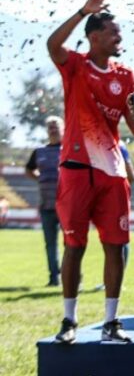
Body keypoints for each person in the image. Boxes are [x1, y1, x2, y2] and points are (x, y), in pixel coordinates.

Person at [46, 0, 134, 345]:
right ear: (94, 37)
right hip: (76, 168)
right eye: (113, 32)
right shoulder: (76, 66)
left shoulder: (126, 76)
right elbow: (53, 44)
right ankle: (69, 320)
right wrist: (82, 10)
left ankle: (111, 322)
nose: (119, 36)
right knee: (74, 247)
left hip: (112, 173)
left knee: (115, 246)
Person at [25, 116, 64, 287]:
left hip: (67, 205)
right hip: (46, 205)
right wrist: (40, 179)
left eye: (55, 126)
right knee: (50, 244)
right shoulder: (39, 151)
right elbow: (28, 169)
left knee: (72, 243)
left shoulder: (69, 148)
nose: (53, 129)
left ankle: (72, 275)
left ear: (63, 128)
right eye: (50, 127)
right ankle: (53, 277)